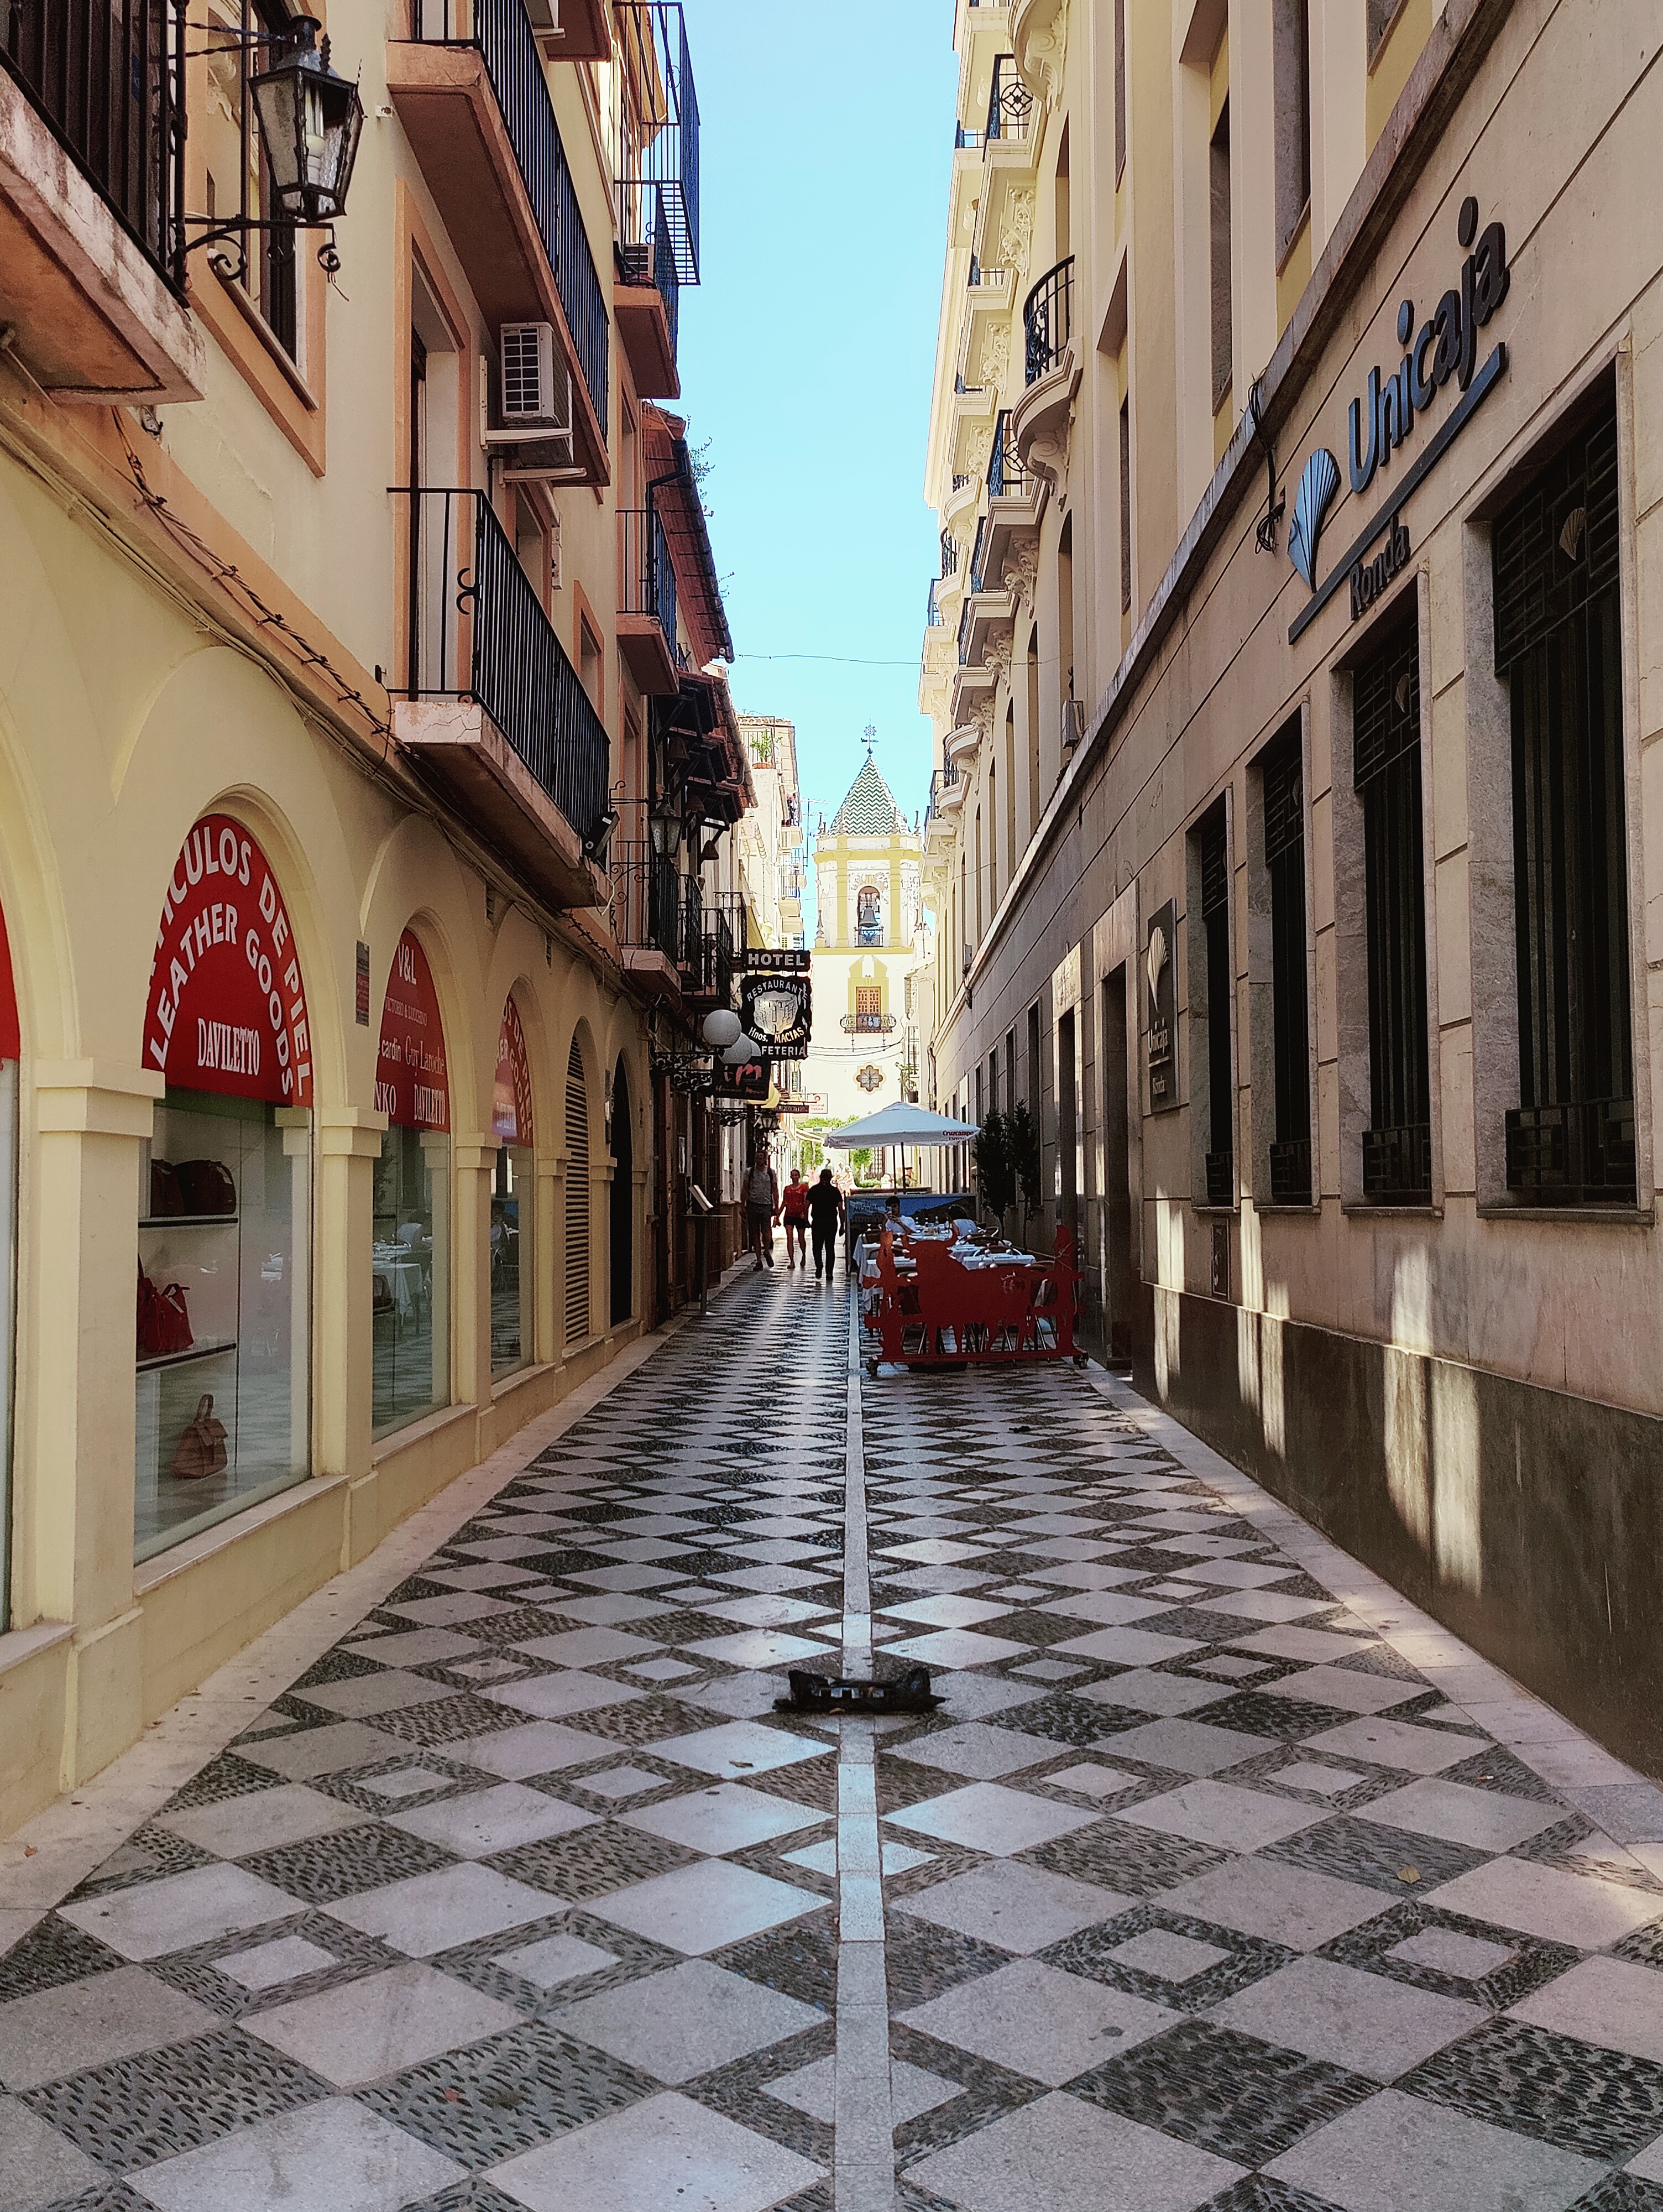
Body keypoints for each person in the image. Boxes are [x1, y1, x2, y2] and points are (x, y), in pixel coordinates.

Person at [807, 1166, 844, 1281]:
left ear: (820, 1177)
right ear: (831, 1178)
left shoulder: (813, 1190)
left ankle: (819, 1265)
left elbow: (806, 1205)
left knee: (816, 1247)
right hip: (831, 1222)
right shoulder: (835, 1191)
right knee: (830, 1247)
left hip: (817, 1222)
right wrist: (842, 1224)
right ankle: (829, 1273)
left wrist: (807, 1220)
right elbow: (840, 1209)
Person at [744, 1149, 779, 1270]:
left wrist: (777, 1207)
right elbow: (745, 1188)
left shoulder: (771, 1172)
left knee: (766, 1232)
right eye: (757, 1158)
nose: (758, 1160)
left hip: (766, 1205)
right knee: (755, 1234)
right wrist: (742, 1204)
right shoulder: (750, 1172)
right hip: (753, 1204)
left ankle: (767, 1251)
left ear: (765, 1159)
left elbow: (775, 1189)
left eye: (761, 1158)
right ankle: (758, 1261)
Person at [780, 1168, 810, 1268]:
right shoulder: (787, 1189)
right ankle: (792, 1261)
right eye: (793, 1175)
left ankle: (804, 1255)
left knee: (801, 1238)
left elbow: (806, 1203)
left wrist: (806, 1216)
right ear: (791, 1177)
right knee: (790, 1237)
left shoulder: (804, 1188)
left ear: (799, 1177)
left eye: (796, 1175)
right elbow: (784, 1202)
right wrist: (778, 1215)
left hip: (800, 1215)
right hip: (789, 1215)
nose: (794, 1177)